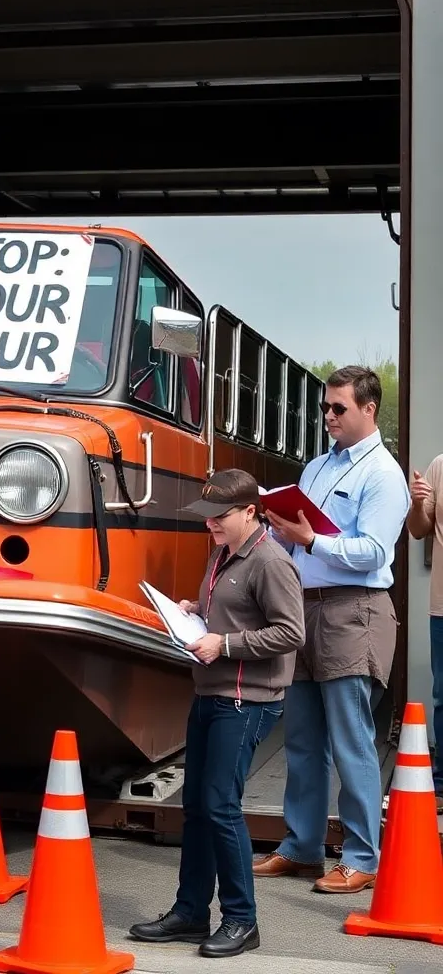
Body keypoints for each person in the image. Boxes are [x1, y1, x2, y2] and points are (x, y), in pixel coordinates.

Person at [128, 469, 305, 959]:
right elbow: (235, 613)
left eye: (219, 516)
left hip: (246, 699)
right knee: (198, 807)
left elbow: (291, 632)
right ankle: (190, 912)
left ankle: (242, 920)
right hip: (213, 693)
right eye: (206, 516)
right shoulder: (224, 551)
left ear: (250, 512)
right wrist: (196, 612)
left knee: (220, 806)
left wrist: (222, 643)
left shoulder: (270, 561)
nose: (210, 524)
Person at [255, 365, 410, 892]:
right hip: (304, 607)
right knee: (302, 738)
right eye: (325, 407)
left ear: (369, 409)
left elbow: (374, 552)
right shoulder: (316, 467)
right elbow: (298, 540)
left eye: (338, 407)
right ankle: (302, 847)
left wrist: (311, 540)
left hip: (353, 610)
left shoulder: (383, 474)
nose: (328, 416)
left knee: (351, 740)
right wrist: (275, 531)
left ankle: (363, 858)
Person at [404, 456, 443, 811]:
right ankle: (442, 783)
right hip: (442, 607)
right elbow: (418, 530)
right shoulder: (440, 466)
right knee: (442, 696)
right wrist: (417, 503)